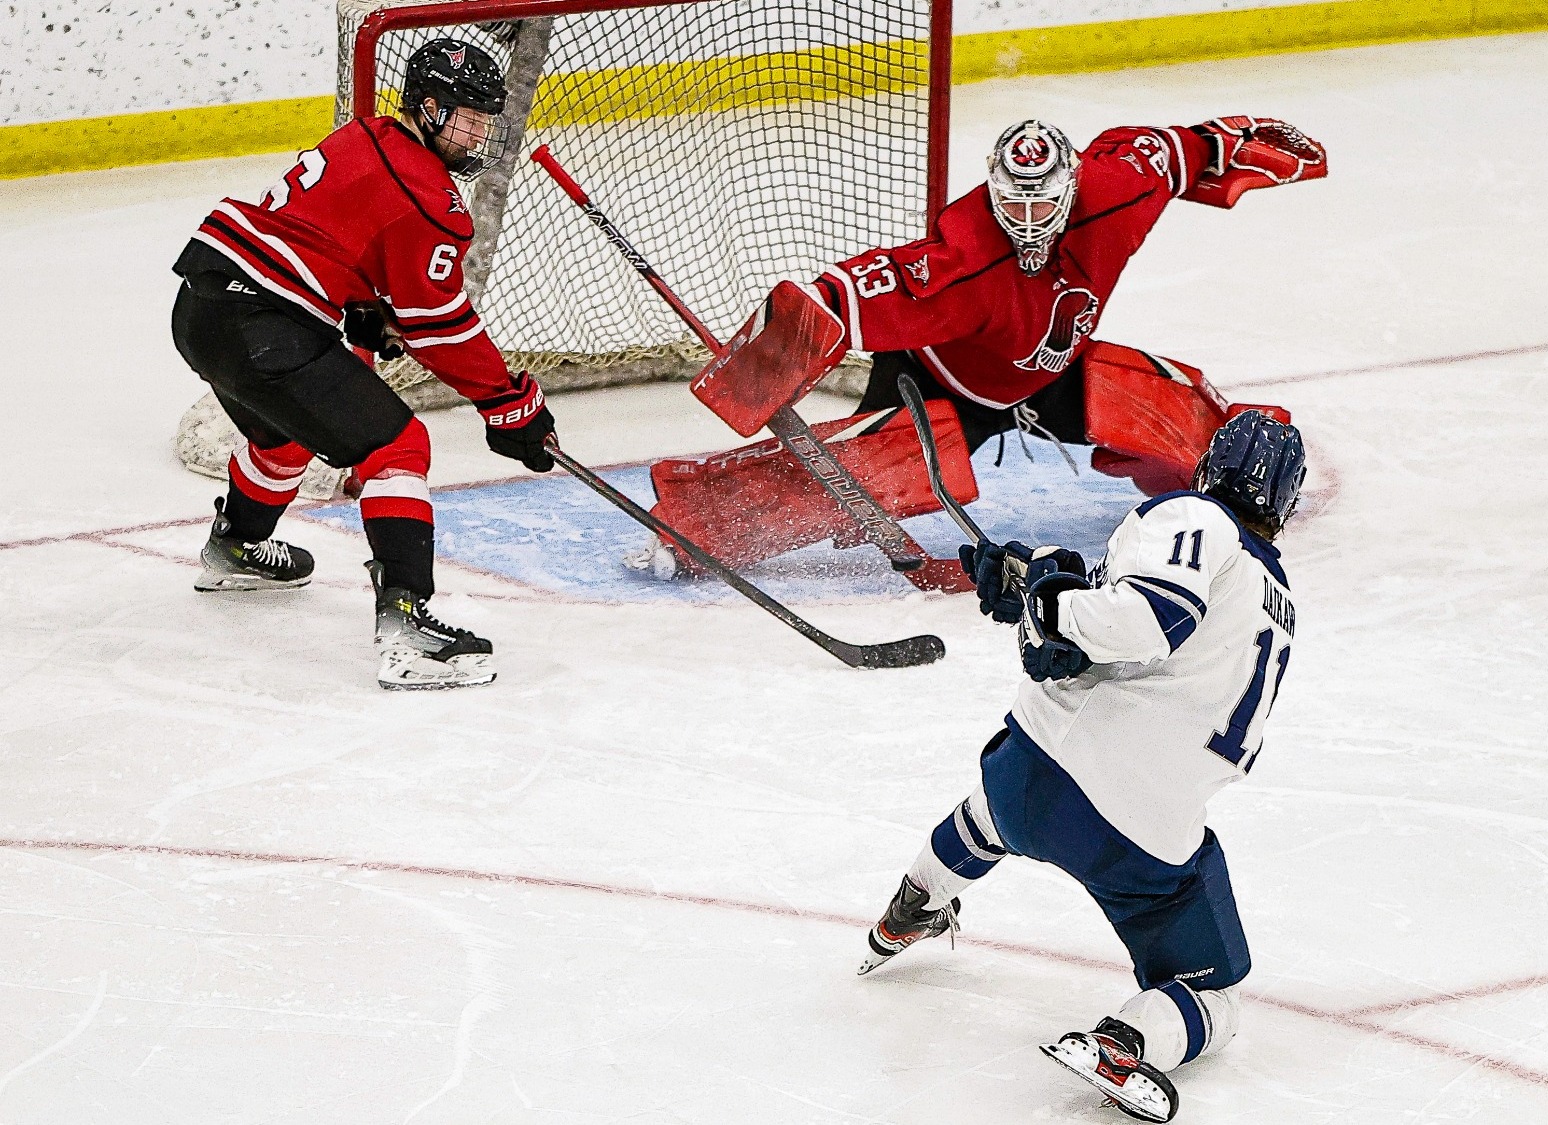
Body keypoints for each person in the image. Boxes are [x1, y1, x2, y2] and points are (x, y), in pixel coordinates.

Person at [856, 411, 1307, 1124]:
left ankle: (913, 900)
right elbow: (1139, 627)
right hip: (1144, 835)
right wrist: (1042, 586)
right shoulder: (1278, 605)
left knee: (989, 813)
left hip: (1031, 778)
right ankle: (1124, 1040)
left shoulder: (1194, 516)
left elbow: (1137, 620)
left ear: (1209, 467)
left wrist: (1048, 601)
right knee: (1213, 997)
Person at [642, 117, 1321, 573]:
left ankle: (1242, 467)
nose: (1026, 222)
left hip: (1048, 373)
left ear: (1073, 188)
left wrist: (1226, 138)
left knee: (1162, 403)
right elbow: (848, 293)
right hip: (938, 384)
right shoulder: (961, 259)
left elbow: (1170, 152)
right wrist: (775, 350)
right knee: (858, 480)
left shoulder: (1115, 193)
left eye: (1042, 206)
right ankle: (700, 521)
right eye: (1013, 205)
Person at [169, 38, 558, 688]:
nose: (480, 133)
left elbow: (332, 237)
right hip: (266, 325)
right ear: (429, 108)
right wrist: (509, 403)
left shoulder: (364, 135)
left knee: (285, 430)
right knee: (399, 445)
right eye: (469, 117)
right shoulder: (429, 194)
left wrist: (362, 303)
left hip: (200, 308)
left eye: (487, 120)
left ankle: (236, 544)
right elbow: (441, 328)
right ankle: (407, 625)